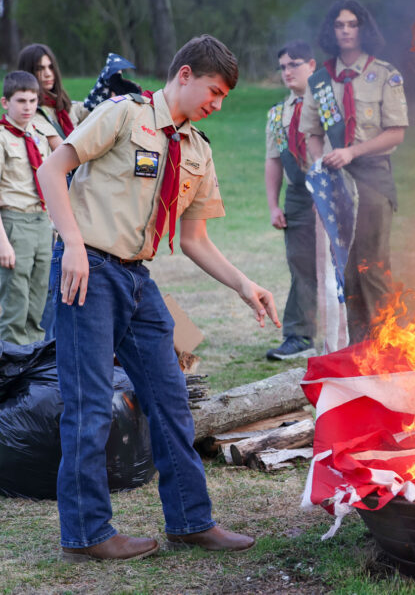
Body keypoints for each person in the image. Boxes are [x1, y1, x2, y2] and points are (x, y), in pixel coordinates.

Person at [36, 35, 280, 561]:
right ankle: (86, 533)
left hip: (136, 279)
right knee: (90, 405)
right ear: (186, 74)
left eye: (224, 100)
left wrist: (245, 285)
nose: (217, 105)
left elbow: (194, 239)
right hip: (88, 271)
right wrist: (72, 246)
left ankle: (191, 520)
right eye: (214, 92)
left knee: (171, 400)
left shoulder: (196, 150)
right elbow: (50, 170)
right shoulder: (124, 114)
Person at [300, 0, 408, 346]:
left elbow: (396, 132)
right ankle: (358, 348)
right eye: (339, 25)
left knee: (372, 264)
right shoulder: (319, 81)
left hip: (372, 175)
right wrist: (322, 164)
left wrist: (352, 152)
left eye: (352, 24)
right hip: (336, 181)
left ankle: (387, 344)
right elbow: (311, 133)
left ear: (363, 29)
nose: (346, 31)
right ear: (331, 31)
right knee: (344, 267)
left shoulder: (384, 74)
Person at [264, 41, 319, 360]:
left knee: (353, 266)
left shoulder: (331, 105)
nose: (287, 72)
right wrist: (274, 205)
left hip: (335, 190)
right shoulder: (276, 115)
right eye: (282, 66)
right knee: (301, 264)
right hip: (297, 196)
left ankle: (364, 333)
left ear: (312, 65)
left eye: (293, 64)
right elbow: (273, 161)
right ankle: (299, 335)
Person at [0, 71, 61, 343]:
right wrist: (3, 243)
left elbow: (51, 182)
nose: (28, 107)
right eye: (21, 100)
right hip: (14, 224)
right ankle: (10, 378)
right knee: (15, 304)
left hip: (41, 224)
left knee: (38, 303)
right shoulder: (2, 138)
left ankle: (31, 375)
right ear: (5, 103)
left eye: (33, 100)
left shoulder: (39, 134)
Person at [17, 44, 90, 139]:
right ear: (28, 72)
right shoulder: (31, 111)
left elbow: (93, 109)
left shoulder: (62, 103)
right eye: (40, 69)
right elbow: (63, 149)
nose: (48, 74)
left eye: (51, 67)